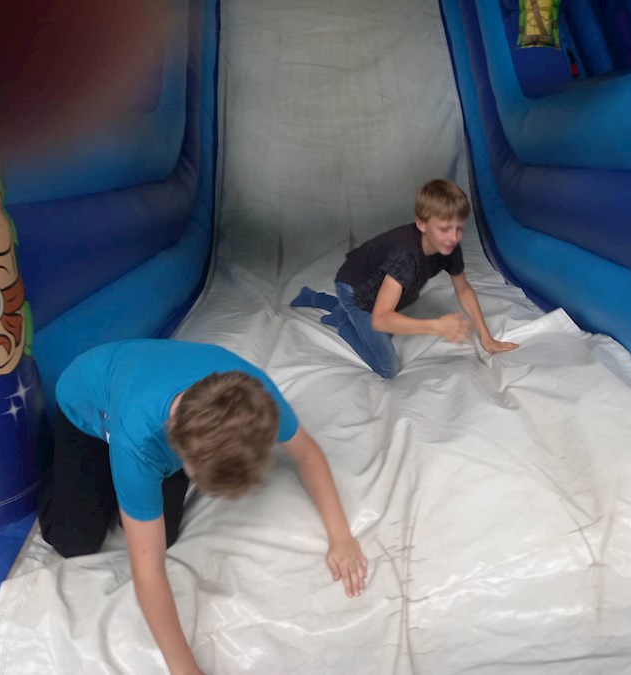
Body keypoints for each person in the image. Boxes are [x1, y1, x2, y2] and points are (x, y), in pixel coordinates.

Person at [38, 338, 366, 675]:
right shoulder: (138, 442)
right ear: (181, 449)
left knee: (164, 535)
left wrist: (340, 535)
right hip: (85, 405)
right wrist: (185, 670)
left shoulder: (254, 395)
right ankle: (60, 465)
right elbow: (148, 574)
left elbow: (306, 453)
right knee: (73, 541)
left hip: (145, 384)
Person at [291, 179, 519, 377]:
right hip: (353, 288)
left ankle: (314, 298)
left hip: (379, 286)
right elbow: (381, 319)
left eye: (459, 229)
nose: (453, 237)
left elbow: (463, 289)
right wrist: (437, 326)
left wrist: (486, 337)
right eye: (444, 229)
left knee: (388, 325)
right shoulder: (406, 256)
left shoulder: (448, 246)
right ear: (421, 224)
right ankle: (343, 321)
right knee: (388, 368)